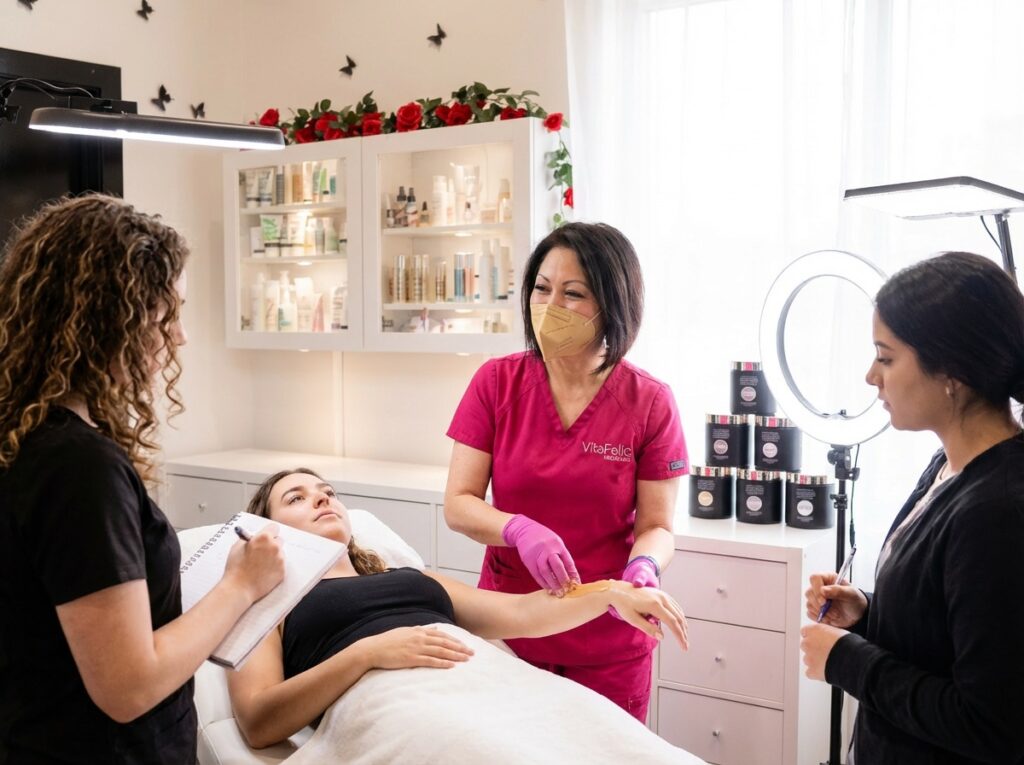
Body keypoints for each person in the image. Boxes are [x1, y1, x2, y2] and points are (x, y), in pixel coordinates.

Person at [0, 195, 285, 765]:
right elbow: (128, 687)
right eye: (166, 315)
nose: (178, 337)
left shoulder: (24, 435)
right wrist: (240, 586)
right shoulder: (77, 467)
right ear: (109, 319)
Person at [227, 468, 690, 751]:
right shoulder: (265, 599)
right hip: (400, 708)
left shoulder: (409, 579)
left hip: (492, 687)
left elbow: (526, 613)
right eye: (297, 498)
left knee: (615, 744)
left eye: (326, 491)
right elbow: (257, 721)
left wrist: (612, 591)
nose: (322, 498)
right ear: (268, 529)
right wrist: (368, 653)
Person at [443, 221, 690, 721]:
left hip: (609, 635)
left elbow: (658, 526)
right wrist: (517, 528)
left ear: (613, 304)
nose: (550, 306)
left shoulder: (649, 402)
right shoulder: (498, 382)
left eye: (573, 293)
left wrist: (643, 569)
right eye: (541, 288)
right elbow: (459, 503)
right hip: (511, 627)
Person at [800, 251, 1024, 764]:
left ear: (951, 370)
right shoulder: (948, 466)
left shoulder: (998, 513)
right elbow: (949, 635)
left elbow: (993, 724)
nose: (870, 377)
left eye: (886, 357)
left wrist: (849, 661)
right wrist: (871, 615)